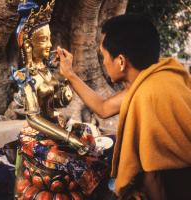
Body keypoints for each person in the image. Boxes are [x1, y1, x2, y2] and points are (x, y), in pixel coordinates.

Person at [56, 14, 191, 200]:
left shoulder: (147, 96)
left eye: (103, 55)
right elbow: (103, 108)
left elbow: (152, 174)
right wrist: (70, 74)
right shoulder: (162, 77)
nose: (103, 62)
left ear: (120, 61)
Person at [12, 1, 110, 199]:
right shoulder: (26, 78)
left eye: (49, 39)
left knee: (87, 132)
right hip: (37, 136)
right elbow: (34, 119)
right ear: (29, 44)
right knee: (69, 162)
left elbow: (59, 103)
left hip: (57, 127)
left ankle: (94, 177)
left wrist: (64, 77)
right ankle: (88, 184)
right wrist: (69, 139)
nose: (49, 45)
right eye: (43, 40)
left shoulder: (47, 69)